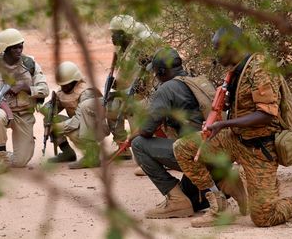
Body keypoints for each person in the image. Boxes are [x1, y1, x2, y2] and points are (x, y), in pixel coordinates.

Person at [173, 25, 292, 227]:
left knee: (265, 217)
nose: (216, 54)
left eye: (218, 48)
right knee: (183, 148)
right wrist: (220, 118)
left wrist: (223, 124)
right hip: (235, 138)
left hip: (260, 148)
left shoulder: (260, 69)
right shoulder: (237, 69)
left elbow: (266, 114)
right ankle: (218, 205)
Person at [132, 47, 247, 219]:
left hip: (194, 153)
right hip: (219, 149)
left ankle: (176, 201)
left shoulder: (167, 89)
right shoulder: (196, 80)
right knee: (194, 202)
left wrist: (133, 133)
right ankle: (227, 182)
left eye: (156, 73)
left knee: (139, 144)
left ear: (162, 71)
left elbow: (147, 129)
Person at [0, 28, 48, 171]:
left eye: (21, 46)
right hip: (2, 111)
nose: (19, 50)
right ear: (5, 49)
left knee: (21, 162)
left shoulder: (30, 64)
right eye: (15, 47)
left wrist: (25, 87)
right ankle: (2, 157)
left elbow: (45, 90)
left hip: (24, 114)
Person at [106, 15, 163, 161]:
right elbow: (126, 75)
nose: (112, 37)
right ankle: (122, 147)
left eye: (115, 33)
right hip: (126, 95)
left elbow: (142, 86)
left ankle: (148, 154)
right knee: (109, 107)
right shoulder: (121, 50)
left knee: (134, 110)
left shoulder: (140, 51)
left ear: (125, 33)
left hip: (142, 99)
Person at [42, 61, 109, 169]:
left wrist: (59, 127)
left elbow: (80, 119)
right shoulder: (64, 90)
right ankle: (67, 153)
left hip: (94, 128)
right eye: (61, 85)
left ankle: (92, 156)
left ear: (74, 81)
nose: (62, 87)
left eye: (65, 84)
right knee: (49, 120)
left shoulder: (86, 92)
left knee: (72, 131)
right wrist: (47, 109)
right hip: (79, 124)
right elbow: (54, 108)